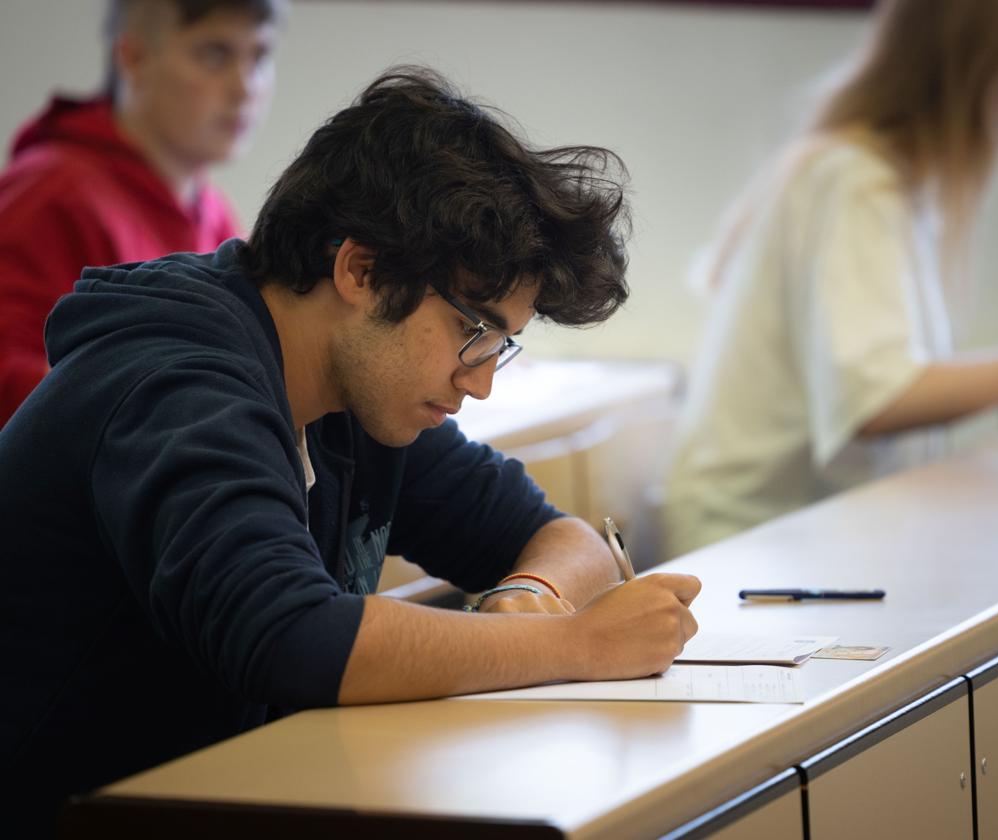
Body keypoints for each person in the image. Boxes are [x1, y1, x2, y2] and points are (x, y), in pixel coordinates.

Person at [0, 67, 701, 836]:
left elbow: (559, 535)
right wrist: (570, 643)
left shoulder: (357, 394)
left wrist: (529, 598)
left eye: (500, 349)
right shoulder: (177, 383)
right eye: (475, 334)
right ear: (361, 270)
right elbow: (290, 639)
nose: (479, 384)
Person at [663, 0, 998, 558]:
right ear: (960, 78)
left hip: (810, 526)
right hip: (755, 541)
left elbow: (883, 383)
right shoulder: (853, 183)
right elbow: (876, 403)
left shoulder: (886, 181)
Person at [0, 0, 282, 426]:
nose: (246, 87)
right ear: (133, 58)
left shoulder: (216, 215)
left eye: (260, 56)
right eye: (216, 54)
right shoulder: (50, 191)